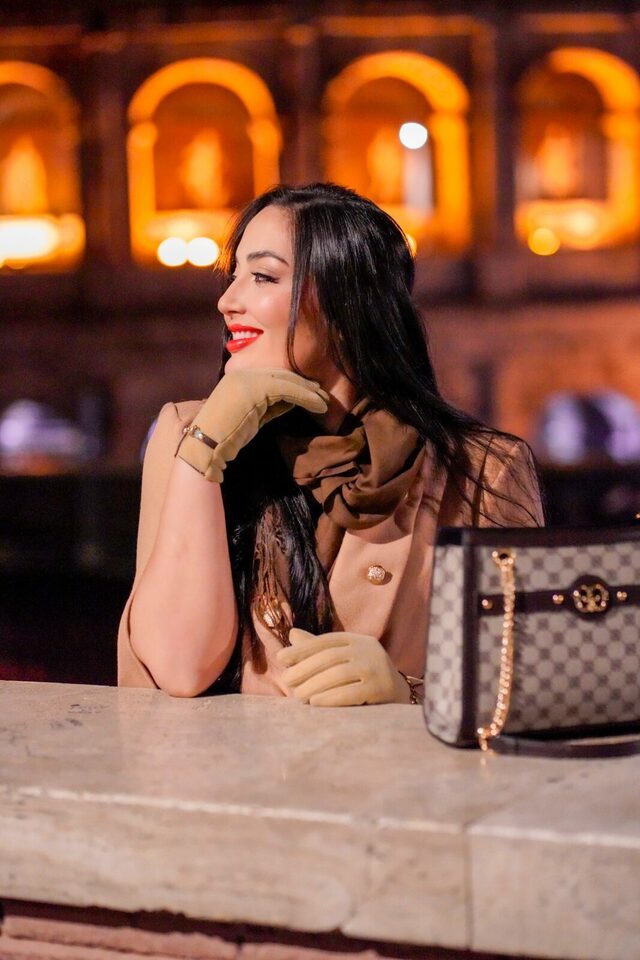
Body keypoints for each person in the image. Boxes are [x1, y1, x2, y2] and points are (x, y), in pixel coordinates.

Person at [118, 182, 544, 704]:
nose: (227, 301)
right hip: (229, 760)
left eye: (263, 276)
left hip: (393, 760)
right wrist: (204, 451)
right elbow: (179, 670)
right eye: (234, 277)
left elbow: (527, 687)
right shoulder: (189, 434)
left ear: (346, 300)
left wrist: (409, 694)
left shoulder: (482, 469)